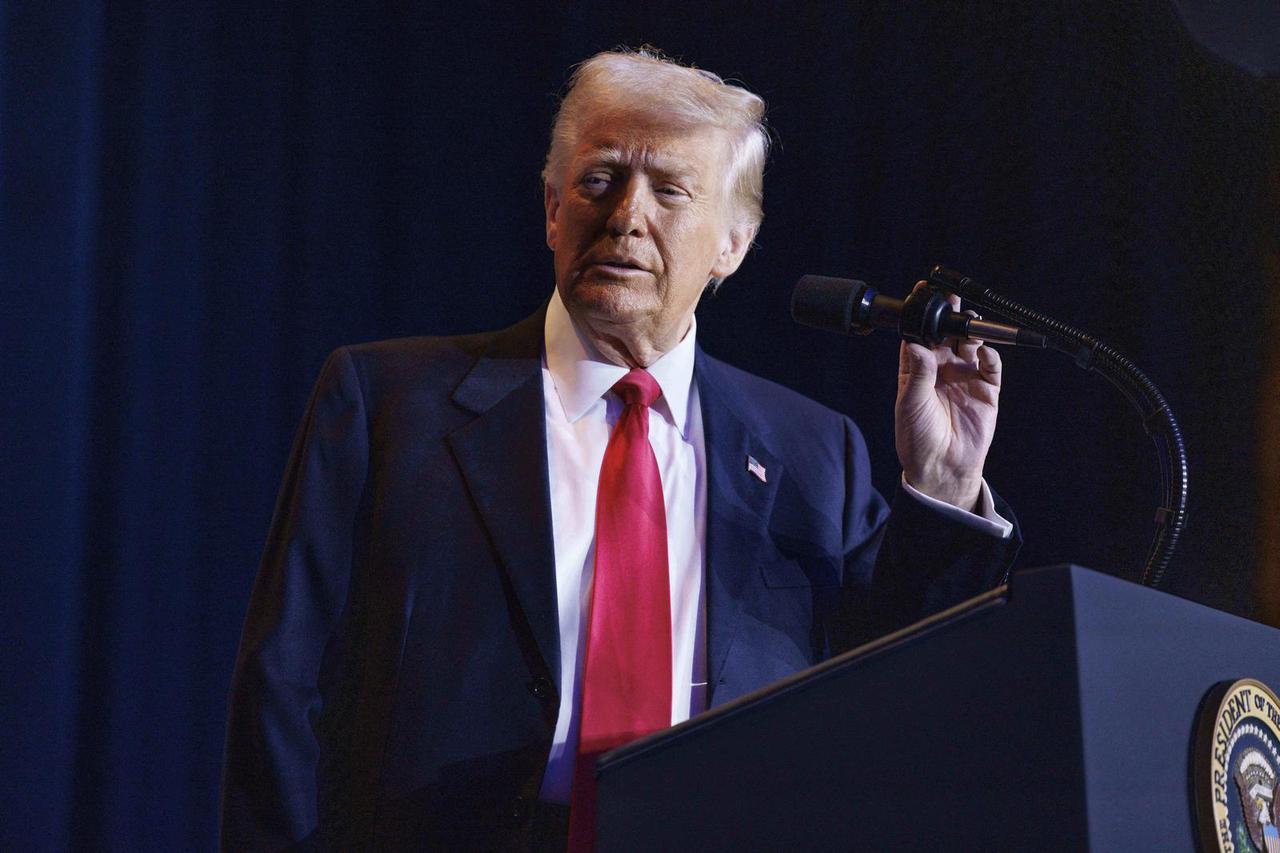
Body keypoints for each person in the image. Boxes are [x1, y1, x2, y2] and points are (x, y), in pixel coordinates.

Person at [220, 48, 1019, 851]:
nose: (627, 215)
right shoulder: (391, 403)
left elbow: (899, 690)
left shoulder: (811, 451)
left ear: (733, 244)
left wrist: (945, 483)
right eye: (600, 179)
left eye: (670, 190)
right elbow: (282, 688)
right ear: (551, 209)